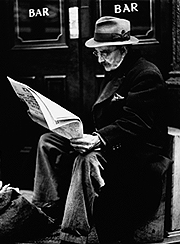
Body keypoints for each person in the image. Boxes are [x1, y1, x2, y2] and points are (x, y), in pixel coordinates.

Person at [31, 16, 172, 244]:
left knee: (86, 158)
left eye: (104, 52)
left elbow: (136, 124)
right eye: (97, 53)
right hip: (111, 147)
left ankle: (72, 234)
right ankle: (48, 210)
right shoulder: (115, 68)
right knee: (48, 141)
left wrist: (98, 139)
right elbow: (105, 114)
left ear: (123, 48)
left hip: (136, 158)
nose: (100, 59)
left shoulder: (145, 75)